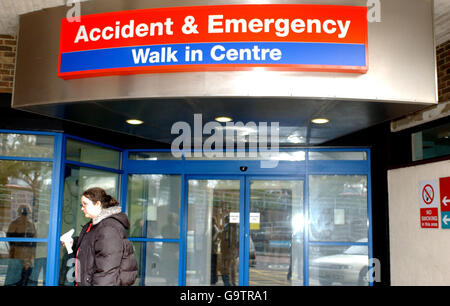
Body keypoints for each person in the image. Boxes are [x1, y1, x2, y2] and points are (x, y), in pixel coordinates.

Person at [65, 187, 138, 286]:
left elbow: (107, 272)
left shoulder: (108, 228)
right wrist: (73, 242)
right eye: (81, 205)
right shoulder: (95, 225)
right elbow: (91, 245)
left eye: (85, 204)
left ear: (98, 204)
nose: (82, 208)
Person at [7, 205, 36, 285]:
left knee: (25, 280)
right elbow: (10, 242)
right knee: (13, 280)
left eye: (26, 214)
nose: (25, 216)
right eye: (24, 214)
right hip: (17, 257)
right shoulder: (14, 224)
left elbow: (34, 243)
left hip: (27, 258)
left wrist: (30, 258)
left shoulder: (31, 225)